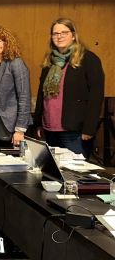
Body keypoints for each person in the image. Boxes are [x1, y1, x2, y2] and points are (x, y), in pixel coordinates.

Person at [34, 18, 104, 158]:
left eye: (64, 32)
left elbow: (96, 96)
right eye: (55, 33)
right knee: (54, 175)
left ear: (73, 35)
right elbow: (42, 95)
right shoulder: (49, 61)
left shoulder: (88, 59)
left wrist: (89, 129)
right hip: (49, 128)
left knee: (74, 174)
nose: (59, 36)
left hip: (74, 131)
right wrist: (38, 123)